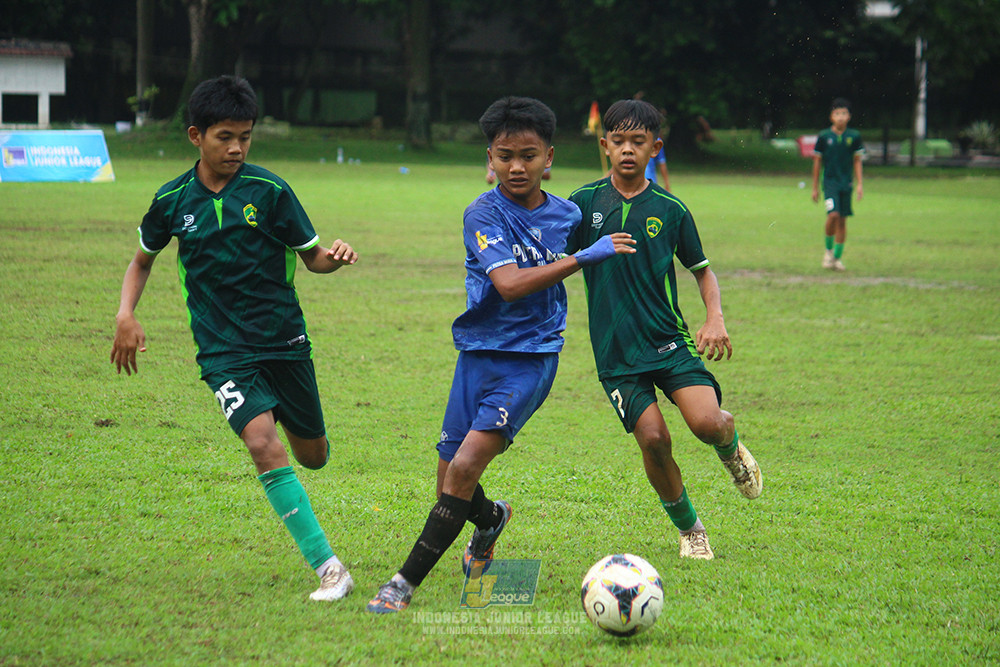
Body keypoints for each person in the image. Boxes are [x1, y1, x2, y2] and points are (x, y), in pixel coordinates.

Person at [366, 96, 635, 613]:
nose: (516, 166)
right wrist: (582, 257)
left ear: (548, 158)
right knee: (450, 481)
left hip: (532, 358)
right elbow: (509, 285)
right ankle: (491, 521)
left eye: (528, 155)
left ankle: (402, 584)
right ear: (489, 157)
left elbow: (605, 262)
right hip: (476, 354)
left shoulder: (570, 215)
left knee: (464, 468)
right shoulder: (482, 213)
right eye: (505, 155)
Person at [110, 75, 359, 601]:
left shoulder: (269, 191)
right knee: (262, 445)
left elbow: (310, 257)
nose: (237, 148)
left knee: (312, 455)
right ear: (195, 136)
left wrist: (332, 260)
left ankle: (297, 430)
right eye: (225, 136)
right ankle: (330, 568)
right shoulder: (172, 199)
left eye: (245, 136)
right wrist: (125, 313)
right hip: (222, 351)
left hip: (284, 339)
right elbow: (141, 260)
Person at [567, 99, 762, 561]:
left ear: (656, 147)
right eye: (619, 142)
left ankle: (730, 445)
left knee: (707, 423)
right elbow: (555, 259)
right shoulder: (583, 203)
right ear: (605, 146)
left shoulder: (671, 209)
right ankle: (691, 529)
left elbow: (702, 271)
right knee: (654, 439)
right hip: (615, 351)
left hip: (669, 341)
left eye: (638, 142)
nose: (628, 150)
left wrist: (714, 318)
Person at [811, 97, 864, 271]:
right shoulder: (824, 137)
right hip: (830, 183)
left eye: (844, 113)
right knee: (833, 215)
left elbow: (857, 161)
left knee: (842, 220)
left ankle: (836, 258)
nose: (840, 117)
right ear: (831, 116)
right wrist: (815, 187)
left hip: (846, 183)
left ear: (849, 116)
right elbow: (817, 162)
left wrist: (859, 184)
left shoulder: (854, 137)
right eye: (837, 113)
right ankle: (828, 251)